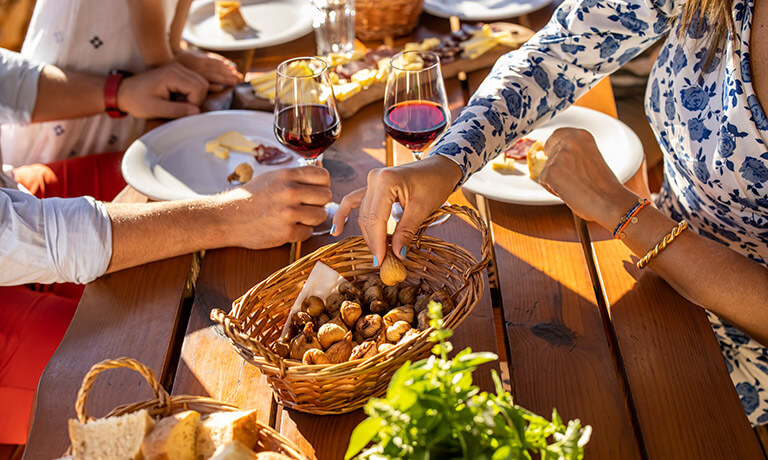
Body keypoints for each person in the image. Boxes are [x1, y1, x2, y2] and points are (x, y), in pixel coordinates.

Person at [331, 0, 768, 426]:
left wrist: (624, 211)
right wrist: (445, 161)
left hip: (742, 351)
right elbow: (558, 55)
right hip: (657, 278)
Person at [0, 49, 331, 444]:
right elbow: (20, 237)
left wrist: (119, 91)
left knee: (151, 172)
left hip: (13, 190)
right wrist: (230, 216)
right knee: (138, 390)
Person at [0, 0, 242, 166]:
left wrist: (173, 49)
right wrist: (161, 62)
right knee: (66, 154)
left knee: (130, 148)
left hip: (142, 54)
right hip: (87, 48)